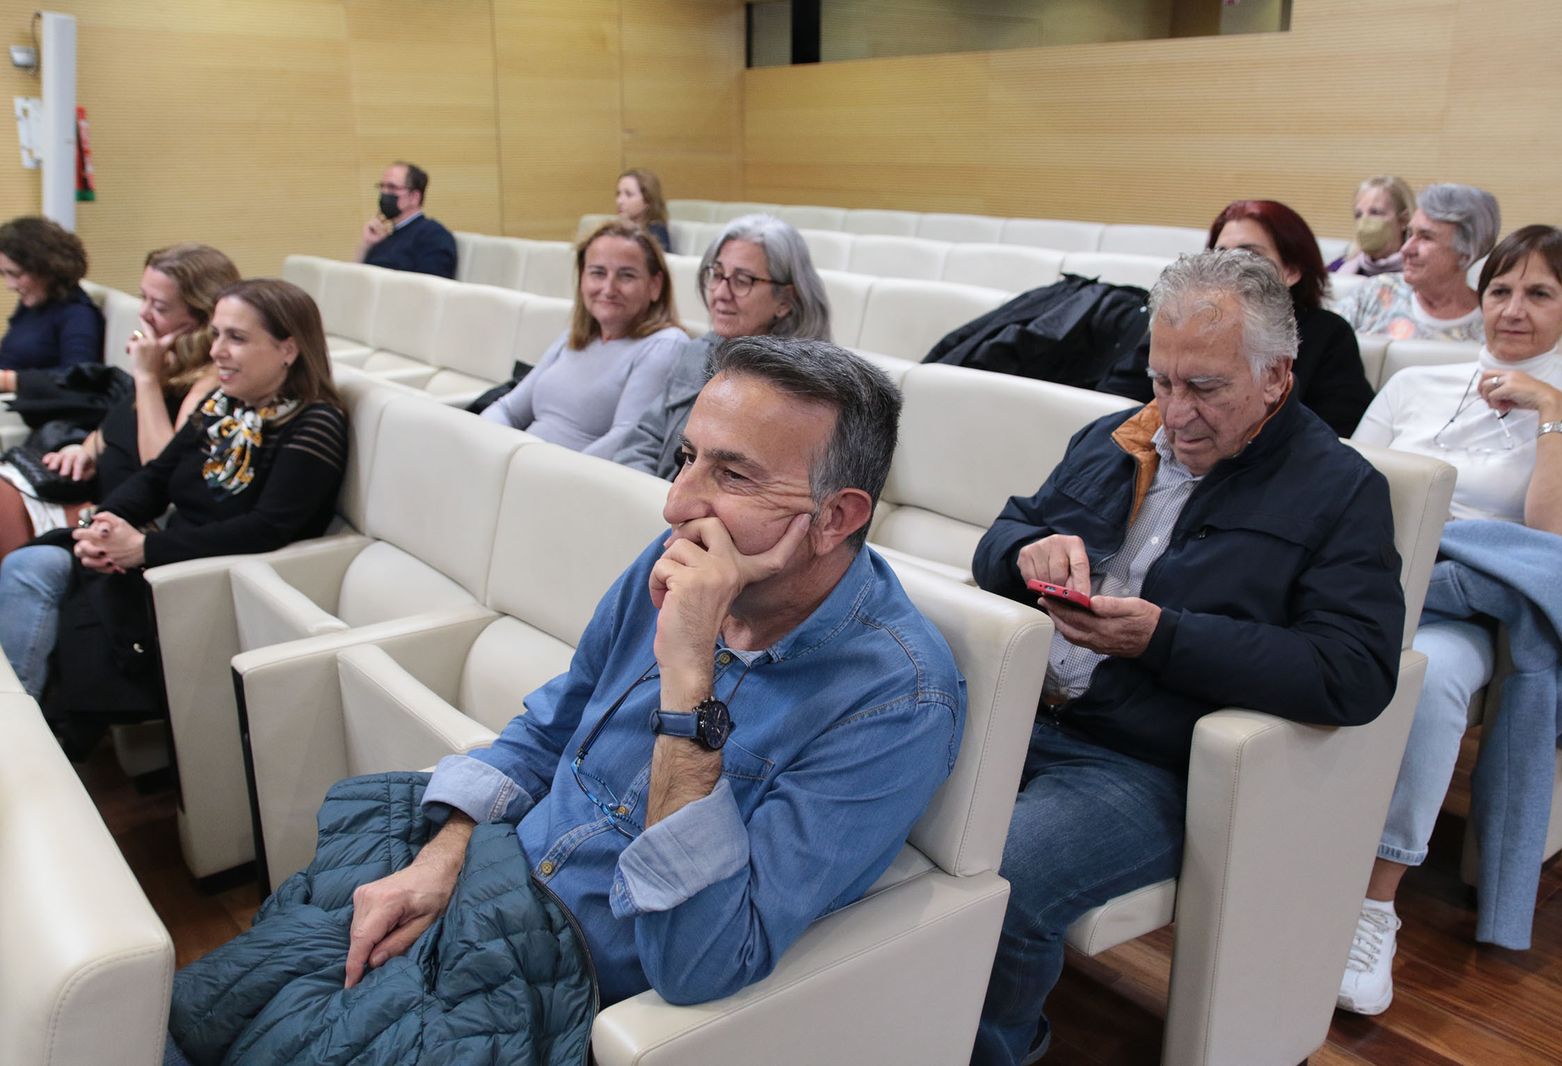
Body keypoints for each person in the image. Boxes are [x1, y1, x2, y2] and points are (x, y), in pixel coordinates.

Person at [166, 337, 964, 1059]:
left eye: (733, 474)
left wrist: (690, 676)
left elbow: (703, 960)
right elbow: (551, 726)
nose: (677, 503)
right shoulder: (675, 552)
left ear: (836, 518)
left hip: (562, 976)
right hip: (485, 864)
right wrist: (443, 854)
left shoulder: (895, 699)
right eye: (685, 458)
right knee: (207, 1010)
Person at [969, 250, 1406, 1066]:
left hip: (1146, 760)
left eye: (1204, 388)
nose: (1174, 412)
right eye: (1162, 380)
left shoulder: (1342, 491)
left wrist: (1165, 639)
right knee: (860, 784)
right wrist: (1027, 551)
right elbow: (1000, 536)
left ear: (1276, 377)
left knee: (1007, 884)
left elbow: (1355, 672)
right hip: (1021, 708)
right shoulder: (1115, 436)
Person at [1340, 226, 1562, 1012]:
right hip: (1376, 575)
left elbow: (1559, 541)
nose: (1512, 311)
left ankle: (1374, 905)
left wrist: (1549, 410)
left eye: (1539, 294)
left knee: (1432, 677)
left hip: (1472, 600)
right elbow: (1349, 486)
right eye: (1499, 291)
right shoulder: (1416, 384)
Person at [0, 279, 347, 739]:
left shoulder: (314, 422)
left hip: (202, 579)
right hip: (161, 550)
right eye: (217, 334)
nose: (218, 350)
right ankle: (21, 728)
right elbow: (158, 475)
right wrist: (105, 521)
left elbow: (268, 528)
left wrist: (144, 547)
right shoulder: (224, 405)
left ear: (288, 349)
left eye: (237, 338)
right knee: (29, 564)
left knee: (38, 574)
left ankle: (22, 740)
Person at [0, 244, 238, 557]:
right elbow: (112, 428)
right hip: (73, 490)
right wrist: (81, 450)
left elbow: (167, 474)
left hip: (112, 520)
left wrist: (147, 379)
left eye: (160, 306)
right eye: (144, 298)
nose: (144, 313)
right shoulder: (167, 362)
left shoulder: (207, 385)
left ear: (204, 317)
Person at [1101, 199, 1375, 437]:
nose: (1232, 266)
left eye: (1249, 254)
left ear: (1291, 270)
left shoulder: (1328, 334)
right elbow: (1115, 399)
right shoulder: (1183, 322)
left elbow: (1335, 433)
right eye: (1220, 254)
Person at [614, 213, 831, 479]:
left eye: (742, 281)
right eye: (717, 275)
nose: (720, 293)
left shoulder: (799, 389)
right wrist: (642, 494)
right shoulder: (698, 352)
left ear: (785, 300)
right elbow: (643, 440)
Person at [481, 220, 686, 459]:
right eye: (597, 273)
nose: (609, 288)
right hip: (518, 467)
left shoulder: (665, 344)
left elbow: (626, 438)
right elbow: (508, 410)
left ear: (655, 285)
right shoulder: (575, 337)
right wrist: (485, 446)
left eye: (626, 275)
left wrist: (537, 470)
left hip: (570, 481)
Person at [1337, 183, 1500, 342]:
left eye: (1426, 237)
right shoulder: (1376, 292)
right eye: (1410, 234)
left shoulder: (1491, 325)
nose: (1406, 249)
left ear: (1466, 253)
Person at [0, 215, 104, 381]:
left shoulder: (77, 314)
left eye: (16, 274)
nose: (10, 285)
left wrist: (8, 381)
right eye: (3, 274)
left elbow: (78, 377)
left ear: (46, 268)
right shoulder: (33, 304)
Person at [357, 161, 457, 278]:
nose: (384, 193)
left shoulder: (433, 235)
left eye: (392, 187)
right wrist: (366, 245)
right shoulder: (384, 236)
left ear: (414, 197)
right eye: (382, 187)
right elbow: (357, 281)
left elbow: (431, 289)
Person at [1329, 176, 1416, 276]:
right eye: (1358, 215)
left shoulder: (1420, 273)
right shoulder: (1339, 268)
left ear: (1404, 220)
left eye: (1375, 212)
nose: (1364, 221)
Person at [615, 167, 672, 252]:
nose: (619, 201)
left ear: (647, 201)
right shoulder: (617, 229)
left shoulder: (657, 232)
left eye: (628, 194)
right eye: (618, 194)